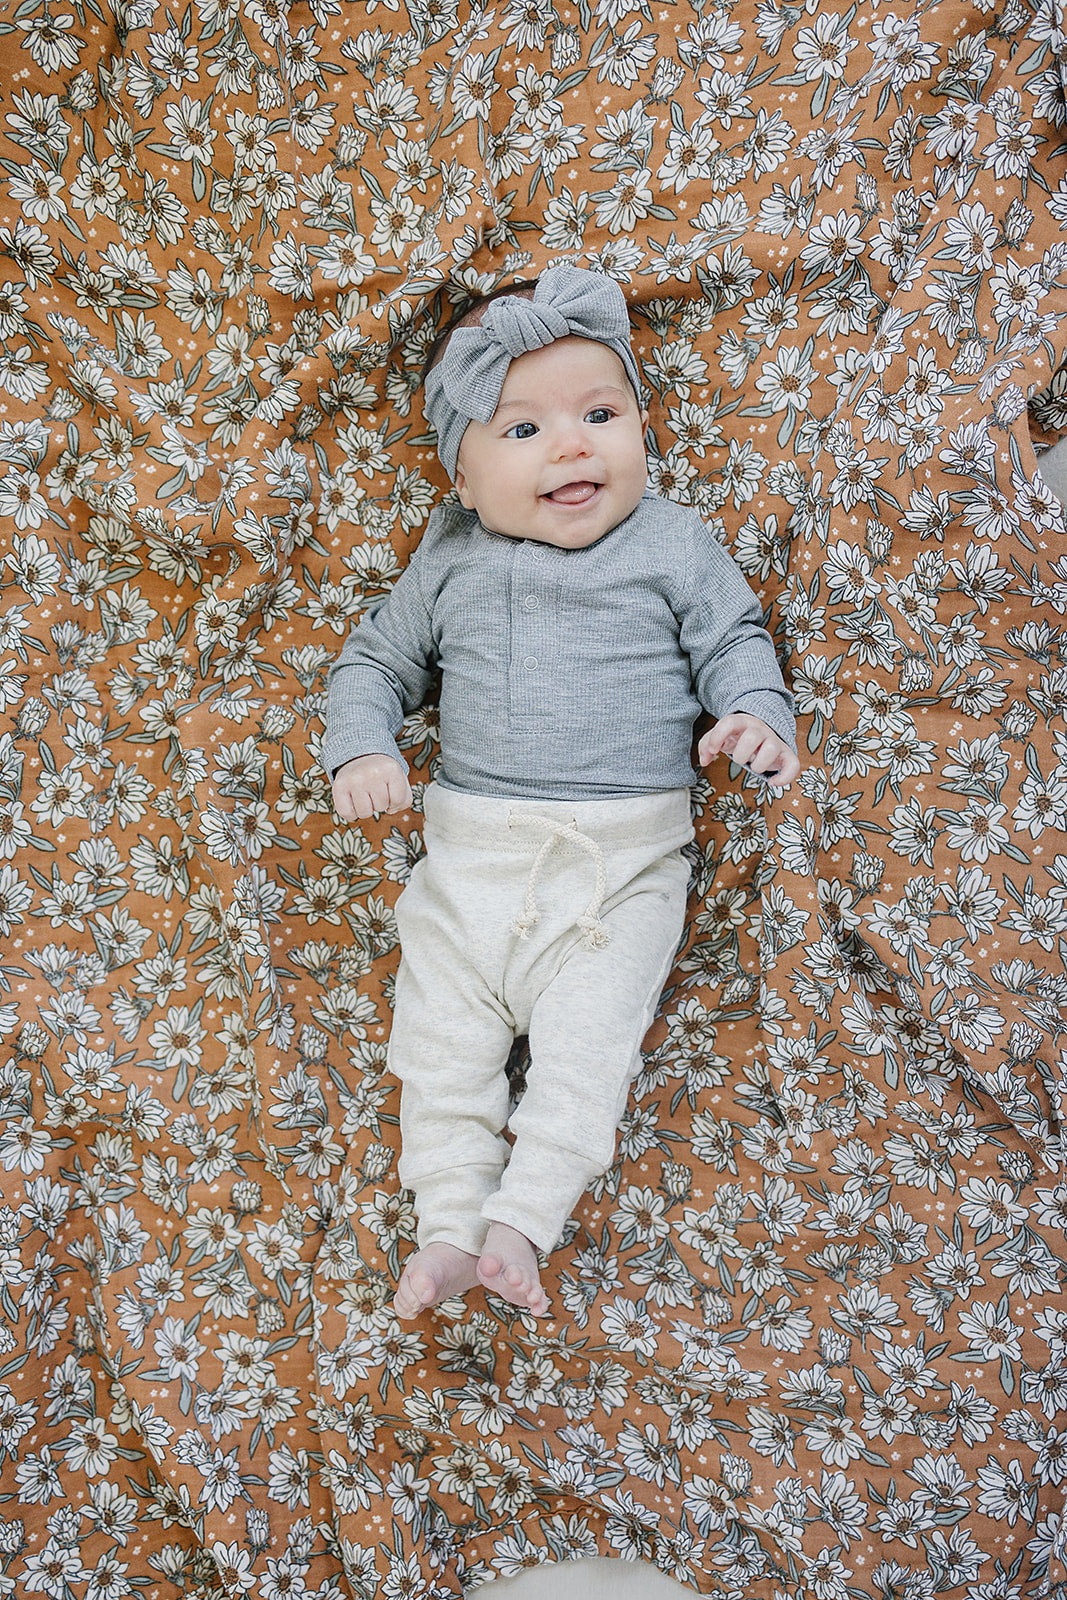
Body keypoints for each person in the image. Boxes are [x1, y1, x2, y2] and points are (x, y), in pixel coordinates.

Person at [323, 265, 799, 1321]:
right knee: (438, 1050)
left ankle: (522, 1221)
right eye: (523, 430)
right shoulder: (448, 558)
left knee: (586, 1056)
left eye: (599, 413)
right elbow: (372, 664)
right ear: (460, 476)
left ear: (639, 423)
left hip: (618, 872)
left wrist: (755, 717)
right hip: (472, 869)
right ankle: (446, 1226)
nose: (575, 444)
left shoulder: (671, 540)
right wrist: (363, 748)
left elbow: (735, 639)